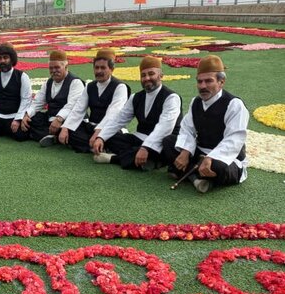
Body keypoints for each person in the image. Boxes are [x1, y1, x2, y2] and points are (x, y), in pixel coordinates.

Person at [161, 55, 249, 193]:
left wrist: (211, 158)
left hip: (225, 157)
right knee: (168, 142)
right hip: (200, 151)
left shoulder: (234, 105)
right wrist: (185, 151)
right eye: (200, 81)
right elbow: (187, 130)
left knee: (217, 167)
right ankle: (196, 178)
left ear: (221, 82)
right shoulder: (196, 102)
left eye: (208, 81)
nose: (203, 86)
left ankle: (189, 174)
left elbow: (234, 139)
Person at [91, 55, 182, 171]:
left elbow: (164, 128)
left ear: (161, 75)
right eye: (143, 75)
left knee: (155, 148)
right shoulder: (136, 97)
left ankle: (114, 158)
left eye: (151, 74)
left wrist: (146, 147)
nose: (147, 78)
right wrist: (101, 137)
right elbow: (119, 120)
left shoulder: (171, 98)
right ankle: (147, 161)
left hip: (161, 142)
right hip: (139, 138)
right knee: (111, 138)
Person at [58, 49, 130, 152]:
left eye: (103, 68)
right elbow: (78, 109)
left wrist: (98, 134)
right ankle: (99, 148)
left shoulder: (120, 87)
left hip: (110, 128)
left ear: (111, 69)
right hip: (92, 126)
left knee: (117, 139)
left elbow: (113, 113)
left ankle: (95, 146)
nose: (99, 71)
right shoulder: (90, 86)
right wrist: (65, 128)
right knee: (69, 129)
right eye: (96, 68)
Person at [20, 50, 85, 146]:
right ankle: (55, 136)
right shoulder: (48, 83)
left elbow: (72, 106)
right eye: (51, 68)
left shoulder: (75, 82)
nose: (54, 71)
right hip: (51, 119)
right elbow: (37, 102)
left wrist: (59, 119)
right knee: (31, 119)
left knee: (74, 131)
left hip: (67, 120)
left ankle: (53, 136)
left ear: (66, 67)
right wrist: (27, 115)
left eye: (57, 67)